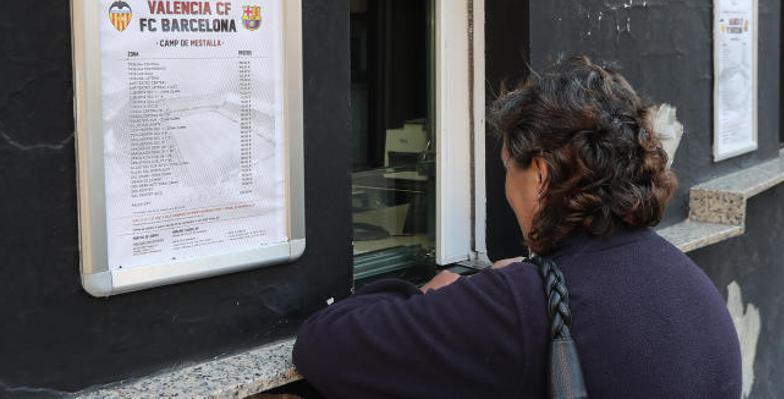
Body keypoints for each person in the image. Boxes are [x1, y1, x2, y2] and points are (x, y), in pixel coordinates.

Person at [292, 56, 741, 398]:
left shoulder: (521, 305)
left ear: (541, 176)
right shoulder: (680, 276)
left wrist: (432, 295)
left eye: (509, 167)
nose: (506, 187)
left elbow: (322, 346)